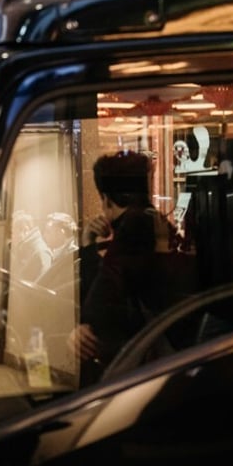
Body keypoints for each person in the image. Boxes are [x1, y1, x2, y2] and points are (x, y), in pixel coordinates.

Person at [74, 152, 174, 385]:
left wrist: (88, 247)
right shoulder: (153, 221)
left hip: (146, 370)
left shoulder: (134, 228)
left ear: (106, 199)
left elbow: (100, 303)